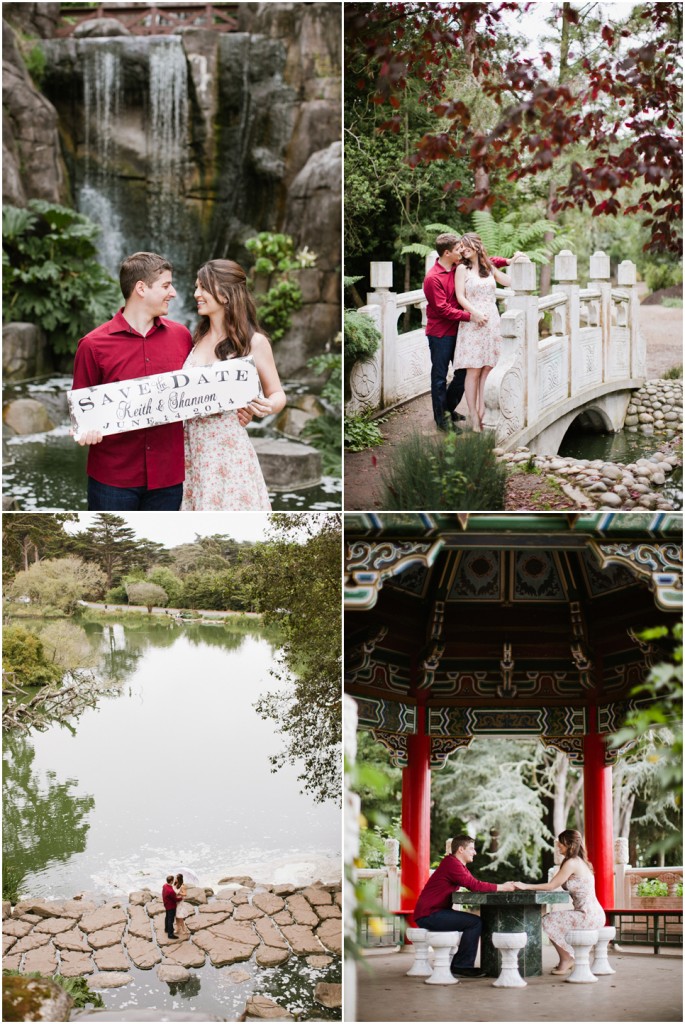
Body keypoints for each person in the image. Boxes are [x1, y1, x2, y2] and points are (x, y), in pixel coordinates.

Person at [180, 259, 286, 511]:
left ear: (226, 295)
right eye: (197, 287)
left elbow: (278, 394)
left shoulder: (254, 342)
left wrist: (265, 406)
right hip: (189, 450)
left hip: (226, 452)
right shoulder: (194, 337)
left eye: (203, 288)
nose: (196, 294)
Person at [422, 234, 511, 431]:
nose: (462, 250)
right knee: (440, 376)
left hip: (463, 327)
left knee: (463, 374)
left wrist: (509, 261)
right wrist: (471, 316)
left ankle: (449, 408)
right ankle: (442, 421)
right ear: (448, 253)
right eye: (458, 248)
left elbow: (486, 262)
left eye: (464, 247)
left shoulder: (457, 265)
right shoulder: (433, 278)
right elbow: (442, 309)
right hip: (442, 332)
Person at [414, 834, 516, 978]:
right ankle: (461, 966)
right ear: (461, 849)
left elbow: (473, 882)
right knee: (474, 923)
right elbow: (475, 885)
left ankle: (461, 964)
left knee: (474, 922)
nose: (475, 852)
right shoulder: (452, 864)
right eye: (472, 849)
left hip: (433, 912)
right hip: (429, 914)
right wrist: (503, 887)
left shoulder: (455, 864)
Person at [514, 828, 605, 975]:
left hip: (587, 914)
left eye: (561, 844)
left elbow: (551, 886)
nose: (558, 847)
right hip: (592, 913)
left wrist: (525, 886)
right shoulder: (580, 862)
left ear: (570, 845)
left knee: (547, 920)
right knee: (552, 920)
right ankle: (568, 957)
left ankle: (567, 958)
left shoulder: (572, 862)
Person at [454, 232, 511, 432]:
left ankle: (482, 411)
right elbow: (460, 296)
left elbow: (508, 282)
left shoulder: (488, 267)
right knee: (474, 369)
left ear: (477, 245)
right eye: (462, 245)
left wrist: (517, 261)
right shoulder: (462, 269)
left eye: (467, 244)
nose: (464, 248)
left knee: (488, 367)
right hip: (473, 322)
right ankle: (472, 415)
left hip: (492, 321)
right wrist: (475, 313)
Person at [162, 874, 180, 939]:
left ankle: (166, 929)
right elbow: (175, 899)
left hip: (166, 904)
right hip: (171, 906)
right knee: (171, 920)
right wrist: (181, 898)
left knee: (167, 917)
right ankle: (170, 934)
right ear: (171, 881)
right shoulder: (171, 891)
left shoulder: (164, 886)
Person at [173, 873, 190, 938]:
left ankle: (184, 929)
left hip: (180, 902)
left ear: (179, 879)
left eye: (176, 878)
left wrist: (179, 892)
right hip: (175, 902)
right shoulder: (175, 884)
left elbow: (185, 894)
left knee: (180, 917)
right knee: (177, 917)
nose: (175, 879)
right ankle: (178, 929)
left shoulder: (182, 886)